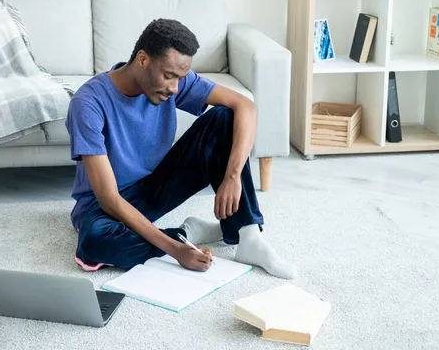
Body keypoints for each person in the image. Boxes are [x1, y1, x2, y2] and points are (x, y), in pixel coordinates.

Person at [65, 18, 296, 279]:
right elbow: (109, 200)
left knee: (224, 118)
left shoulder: (173, 84)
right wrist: (176, 250)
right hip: (105, 205)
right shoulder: (88, 103)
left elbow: (246, 107)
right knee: (94, 243)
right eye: (168, 76)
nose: (174, 88)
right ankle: (184, 235)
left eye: (180, 78)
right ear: (143, 60)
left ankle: (250, 235)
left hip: (155, 187)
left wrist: (232, 176)